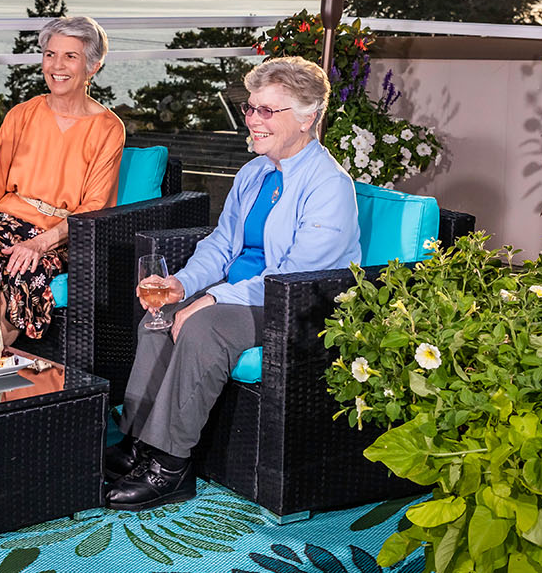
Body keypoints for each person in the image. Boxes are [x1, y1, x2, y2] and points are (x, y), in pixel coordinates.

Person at [103, 56, 360, 511]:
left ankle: (170, 465)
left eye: (268, 111)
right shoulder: (255, 172)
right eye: (251, 108)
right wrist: (182, 286)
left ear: (307, 119)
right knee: (161, 314)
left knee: (205, 329)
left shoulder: (329, 186)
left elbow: (294, 275)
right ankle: (139, 440)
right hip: (245, 292)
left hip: (294, 304)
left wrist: (211, 300)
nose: (254, 120)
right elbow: (222, 245)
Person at [0, 17, 125, 346]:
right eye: (50, 54)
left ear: (93, 66)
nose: (56, 66)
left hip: (59, 235)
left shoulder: (109, 129)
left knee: (24, 270)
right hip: (3, 220)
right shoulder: (21, 114)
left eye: (70, 56)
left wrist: (39, 244)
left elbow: (93, 209)